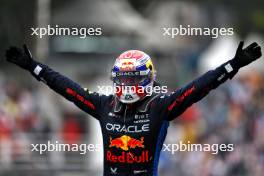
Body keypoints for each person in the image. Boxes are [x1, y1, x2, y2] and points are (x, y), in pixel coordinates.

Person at [5, 42, 262, 176]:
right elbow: (67, 88)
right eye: (122, 78)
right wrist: (34, 67)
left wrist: (232, 66)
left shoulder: (161, 106)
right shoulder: (104, 104)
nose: (126, 84)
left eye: (132, 78)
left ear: (147, 78)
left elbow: (198, 88)